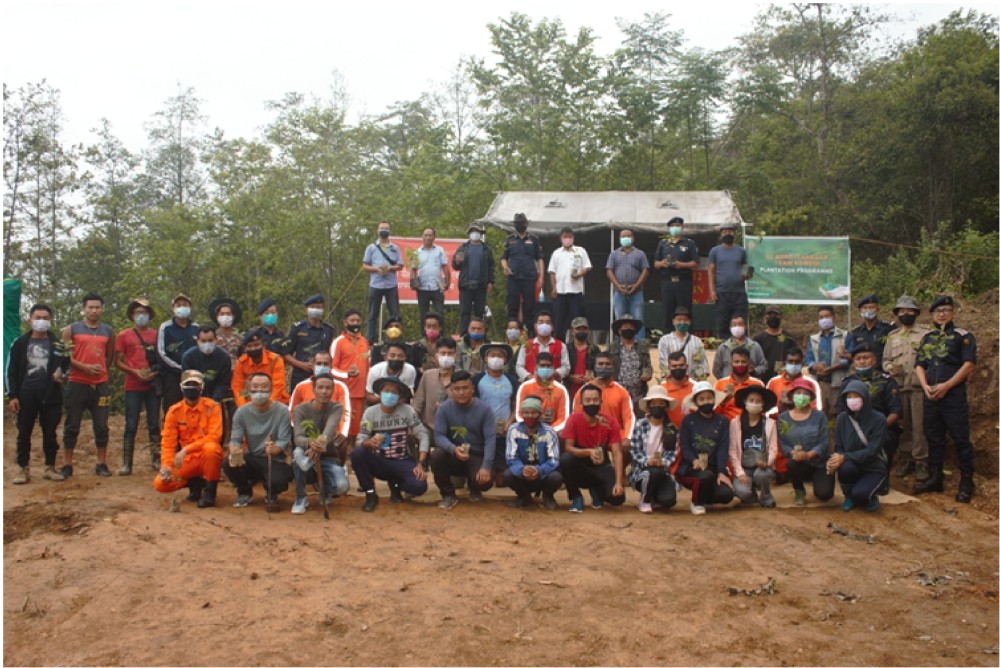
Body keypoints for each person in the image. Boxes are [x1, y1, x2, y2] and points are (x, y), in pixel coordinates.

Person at [913, 295, 977, 503]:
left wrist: (947, 385)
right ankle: (935, 477)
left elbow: (968, 365)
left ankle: (967, 482)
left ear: (953, 313)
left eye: (946, 310)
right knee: (933, 437)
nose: (941, 314)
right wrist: (925, 386)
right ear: (932, 314)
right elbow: (920, 364)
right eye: (937, 311)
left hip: (953, 397)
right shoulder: (928, 338)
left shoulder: (963, 336)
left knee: (960, 439)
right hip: (931, 396)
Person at [7, 304, 67, 483]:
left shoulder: (58, 344)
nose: (41, 321)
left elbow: (66, 365)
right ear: (30, 320)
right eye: (38, 317)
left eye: (45, 318)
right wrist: (12, 395)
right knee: (24, 433)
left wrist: (62, 375)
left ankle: (50, 467)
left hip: (50, 394)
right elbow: (10, 370)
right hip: (26, 393)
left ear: (51, 321)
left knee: (50, 433)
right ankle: (22, 469)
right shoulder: (19, 343)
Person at [352, 377, 430, 511]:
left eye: (394, 392)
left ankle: (395, 486)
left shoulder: (407, 410)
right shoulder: (370, 413)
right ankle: (370, 494)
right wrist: (369, 443)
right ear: (380, 392)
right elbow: (360, 440)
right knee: (357, 453)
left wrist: (421, 463)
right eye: (386, 391)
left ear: (399, 396)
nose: (390, 394)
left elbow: (423, 434)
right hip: (379, 461)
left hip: (402, 460)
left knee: (419, 486)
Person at [59, 292, 115, 478]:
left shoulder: (108, 331)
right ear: (83, 308)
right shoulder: (71, 329)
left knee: (101, 425)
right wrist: (84, 367)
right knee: (72, 424)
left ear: (102, 309)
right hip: (77, 383)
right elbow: (65, 356)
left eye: (97, 307)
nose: (94, 310)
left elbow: (109, 357)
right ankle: (67, 465)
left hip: (100, 385)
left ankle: (101, 463)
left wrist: (99, 370)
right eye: (90, 307)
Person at [153, 370, 224, 508]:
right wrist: (166, 466)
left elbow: (215, 436)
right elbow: (168, 441)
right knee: (160, 484)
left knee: (211, 449)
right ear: (181, 387)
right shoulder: (174, 411)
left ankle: (210, 493)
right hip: (186, 460)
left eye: (195, 385)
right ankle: (195, 484)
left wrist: (186, 449)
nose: (191, 388)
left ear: (201, 387)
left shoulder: (212, 407)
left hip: (206, 456)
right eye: (188, 384)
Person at [223, 372, 294, 509]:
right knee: (228, 463)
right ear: (249, 390)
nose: (259, 390)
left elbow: (284, 439)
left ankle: (271, 493)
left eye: (264, 387)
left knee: (279, 479)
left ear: (271, 389)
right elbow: (235, 439)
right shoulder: (241, 412)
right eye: (255, 386)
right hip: (251, 457)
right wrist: (234, 451)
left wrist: (276, 448)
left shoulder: (283, 411)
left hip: (273, 458)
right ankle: (244, 492)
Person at [835, 343, 902, 482]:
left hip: (881, 427)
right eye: (858, 358)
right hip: (853, 427)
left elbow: (896, 411)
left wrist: (879, 427)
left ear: (874, 360)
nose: (862, 361)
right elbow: (840, 410)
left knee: (888, 439)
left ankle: (882, 478)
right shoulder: (848, 383)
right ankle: (852, 478)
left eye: (866, 357)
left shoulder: (886, 381)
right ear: (853, 363)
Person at [882, 295, 931, 482]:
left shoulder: (925, 334)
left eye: (909, 311)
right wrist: (889, 368)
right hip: (899, 387)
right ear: (897, 314)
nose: (906, 314)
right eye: (902, 311)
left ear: (916, 313)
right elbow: (885, 360)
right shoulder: (893, 336)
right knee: (904, 426)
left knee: (919, 426)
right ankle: (906, 459)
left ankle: (921, 462)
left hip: (918, 387)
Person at [431, 371, 497, 509]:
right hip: (454, 454)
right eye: (457, 389)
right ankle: (448, 494)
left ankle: (474, 487)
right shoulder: (444, 409)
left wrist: (486, 467)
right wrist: (453, 449)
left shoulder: (485, 410)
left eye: (465, 388)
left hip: (476, 455)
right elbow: (439, 436)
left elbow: (490, 440)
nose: (461, 392)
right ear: (451, 390)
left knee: (485, 482)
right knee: (437, 455)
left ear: (472, 389)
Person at [290, 373, 350, 515]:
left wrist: (318, 447)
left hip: (328, 456)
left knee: (342, 487)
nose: (324, 391)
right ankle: (300, 497)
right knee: (298, 455)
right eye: (320, 387)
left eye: (328, 388)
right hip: (305, 454)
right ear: (314, 389)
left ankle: (326, 491)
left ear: (333, 389)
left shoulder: (336, 408)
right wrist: (312, 444)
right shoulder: (300, 409)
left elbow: (329, 432)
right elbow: (298, 438)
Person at [561, 385, 626, 512]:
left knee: (617, 499)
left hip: (601, 466)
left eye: (595, 400)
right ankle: (576, 496)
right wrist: (589, 452)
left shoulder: (610, 422)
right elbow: (568, 448)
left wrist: (619, 482)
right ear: (581, 403)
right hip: (580, 466)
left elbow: (617, 453)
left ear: (601, 402)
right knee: (565, 459)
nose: (592, 403)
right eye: (588, 400)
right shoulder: (574, 419)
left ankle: (596, 490)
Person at [114, 298, 160, 474]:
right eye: (138, 312)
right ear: (132, 315)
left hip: (153, 385)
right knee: (131, 423)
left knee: (154, 423)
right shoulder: (124, 335)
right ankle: (127, 464)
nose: (141, 316)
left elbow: (162, 357)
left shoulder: (157, 335)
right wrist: (134, 372)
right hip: (132, 386)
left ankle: (156, 459)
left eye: (144, 312)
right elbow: (118, 362)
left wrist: (154, 372)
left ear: (150, 315)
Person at [828, 380, 888, 513]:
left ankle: (870, 496)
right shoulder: (842, 419)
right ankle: (848, 495)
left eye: (856, 396)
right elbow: (839, 446)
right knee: (845, 468)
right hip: (851, 465)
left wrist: (845, 457)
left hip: (873, 467)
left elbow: (872, 450)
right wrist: (836, 459)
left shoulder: (879, 419)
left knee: (860, 494)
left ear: (865, 397)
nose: (852, 400)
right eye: (848, 397)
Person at [677, 382, 735, 515]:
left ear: (714, 399)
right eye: (701, 399)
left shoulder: (722, 421)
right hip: (692, 468)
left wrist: (721, 472)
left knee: (727, 495)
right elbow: (685, 446)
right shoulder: (688, 421)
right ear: (696, 402)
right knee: (705, 476)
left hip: (713, 468)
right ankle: (696, 502)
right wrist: (694, 460)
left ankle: (705, 499)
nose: (706, 402)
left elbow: (722, 447)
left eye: (709, 398)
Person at [777, 378, 834, 506]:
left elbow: (825, 442)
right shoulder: (783, 418)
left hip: (820, 463)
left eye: (805, 393)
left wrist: (808, 455)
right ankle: (799, 491)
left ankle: (821, 480)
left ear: (811, 397)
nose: (801, 396)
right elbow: (783, 442)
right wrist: (793, 453)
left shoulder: (820, 416)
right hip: (798, 462)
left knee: (824, 495)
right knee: (791, 464)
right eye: (798, 392)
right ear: (791, 396)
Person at [503, 396, 563, 510]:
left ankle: (548, 496)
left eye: (533, 413)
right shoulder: (513, 430)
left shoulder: (549, 432)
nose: (529, 416)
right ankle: (524, 496)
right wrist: (522, 469)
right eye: (526, 413)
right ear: (521, 414)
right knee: (508, 475)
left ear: (540, 414)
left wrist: (539, 470)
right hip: (522, 474)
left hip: (543, 474)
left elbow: (554, 460)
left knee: (556, 477)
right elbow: (511, 458)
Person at [472, 342, 517, 486]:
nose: (496, 358)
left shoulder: (511, 380)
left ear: (505, 360)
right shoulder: (477, 380)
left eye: (500, 356)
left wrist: (510, 423)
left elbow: (516, 406)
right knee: (484, 480)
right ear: (485, 359)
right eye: (492, 355)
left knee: (502, 481)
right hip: (482, 433)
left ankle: (500, 471)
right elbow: (472, 404)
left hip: (504, 432)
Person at [628, 386, 679, 513]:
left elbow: (673, 453)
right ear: (649, 406)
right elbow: (634, 450)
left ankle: (654, 496)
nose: (657, 406)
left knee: (668, 501)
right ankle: (644, 500)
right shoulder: (640, 424)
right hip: (642, 470)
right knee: (653, 471)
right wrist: (647, 461)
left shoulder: (671, 428)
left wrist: (664, 462)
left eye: (661, 403)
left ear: (666, 406)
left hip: (662, 471)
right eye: (654, 403)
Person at [728, 387, 779, 508]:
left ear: (763, 404)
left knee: (761, 475)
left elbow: (773, 449)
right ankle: (751, 497)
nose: (754, 404)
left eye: (758, 401)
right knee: (742, 492)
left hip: (762, 467)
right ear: (745, 401)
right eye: (751, 400)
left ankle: (766, 497)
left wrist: (767, 462)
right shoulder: (735, 423)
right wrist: (740, 473)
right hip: (744, 467)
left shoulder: (770, 424)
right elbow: (732, 451)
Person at [572, 351, 635, 447]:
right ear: (595, 367)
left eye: (607, 364)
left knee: (627, 448)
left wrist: (627, 437)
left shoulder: (622, 391)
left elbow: (629, 418)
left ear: (613, 367)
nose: (604, 367)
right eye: (600, 364)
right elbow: (576, 416)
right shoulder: (583, 391)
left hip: (615, 436)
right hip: (590, 436)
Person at [288, 351, 351, 443]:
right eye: (318, 364)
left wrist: (343, 433)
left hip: (332, 435)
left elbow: (346, 412)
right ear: (313, 365)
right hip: (306, 435)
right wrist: (301, 432)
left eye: (325, 364)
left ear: (331, 366)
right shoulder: (301, 386)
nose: (322, 367)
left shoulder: (340, 386)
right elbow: (292, 413)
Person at [330, 309, 370, 449]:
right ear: (345, 322)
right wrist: (347, 374)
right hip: (343, 392)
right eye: (352, 321)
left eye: (358, 321)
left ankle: (352, 455)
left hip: (360, 393)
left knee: (356, 427)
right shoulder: (338, 342)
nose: (355, 323)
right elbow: (332, 369)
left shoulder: (364, 342)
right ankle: (340, 455)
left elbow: (367, 366)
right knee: (343, 426)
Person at [653, 217, 699, 334]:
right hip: (667, 282)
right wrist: (662, 263)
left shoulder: (689, 243)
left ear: (682, 227)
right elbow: (655, 263)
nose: (675, 228)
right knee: (668, 311)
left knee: (685, 310)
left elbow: (695, 263)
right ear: (669, 228)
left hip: (683, 282)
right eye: (673, 226)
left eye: (678, 226)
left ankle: (687, 337)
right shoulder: (663, 243)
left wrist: (681, 265)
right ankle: (668, 337)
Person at [501, 213, 544, 333]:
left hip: (529, 277)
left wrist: (541, 277)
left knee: (529, 307)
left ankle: (529, 334)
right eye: (518, 223)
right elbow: (503, 257)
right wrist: (505, 267)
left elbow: (539, 258)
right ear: (514, 225)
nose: (520, 225)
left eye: (522, 223)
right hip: (513, 277)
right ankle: (512, 333)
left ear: (527, 224)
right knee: (512, 305)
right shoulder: (509, 240)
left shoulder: (534, 240)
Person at [362, 221, 404, 344]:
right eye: (382, 228)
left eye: (386, 228)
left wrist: (390, 268)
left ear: (390, 231)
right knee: (372, 314)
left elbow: (400, 265)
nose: (384, 230)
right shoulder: (371, 248)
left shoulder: (395, 248)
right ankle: (370, 341)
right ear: (377, 230)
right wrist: (376, 269)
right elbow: (365, 266)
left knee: (394, 314)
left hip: (391, 285)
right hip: (375, 284)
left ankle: (395, 339)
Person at [157, 293, 198, 415]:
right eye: (178, 305)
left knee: (193, 408)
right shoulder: (165, 328)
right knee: (172, 409)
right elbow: (161, 354)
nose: (182, 307)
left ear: (190, 308)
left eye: (185, 305)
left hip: (193, 376)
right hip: (172, 377)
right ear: (173, 309)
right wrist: (180, 369)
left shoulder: (196, 328)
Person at [548, 227, 591, 342]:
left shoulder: (580, 251)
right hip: (560, 292)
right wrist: (553, 288)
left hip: (576, 291)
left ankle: (577, 343)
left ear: (573, 238)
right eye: (565, 237)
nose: (567, 239)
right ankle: (559, 344)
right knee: (559, 322)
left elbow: (587, 267)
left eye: (569, 237)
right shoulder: (556, 253)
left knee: (577, 321)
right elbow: (552, 272)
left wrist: (579, 274)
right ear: (560, 238)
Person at [805, 305, 850, 418]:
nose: (824, 319)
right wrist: (814, 367)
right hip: (820, 383)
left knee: (839, 414)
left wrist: (832, 368)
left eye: (827, 316)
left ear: (834, 318)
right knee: (819, 414)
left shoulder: (844, 335)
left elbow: (849, 359)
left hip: (838, 382)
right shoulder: (814, 338)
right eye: (821, 317)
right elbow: (809, 359)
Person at [284, 294, 336, 388]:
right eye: (313, 307)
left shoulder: (328, 330)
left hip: (322, 376)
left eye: (319, 307)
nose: (316, 309)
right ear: (306, 310)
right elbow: (286, 355)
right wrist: (302, 365)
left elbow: (332, 354)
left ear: (323, 310)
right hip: (300, 375)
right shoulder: (297, 328)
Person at [606, 228, 650, 340]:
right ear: (620, 239)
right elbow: (609, 270)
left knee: (638, 318)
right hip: (619, 291)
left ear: (633, 238)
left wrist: (637, 285)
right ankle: (619, 344)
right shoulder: (614, 254)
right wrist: (617, 285)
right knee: (619, 319)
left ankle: (640, 345)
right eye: (623, 236)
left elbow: (645, 270)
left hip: (636, 291)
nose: (625, 238)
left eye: (628, 236)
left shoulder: (640, 253)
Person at [707, 223, 749, 339]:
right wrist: (712, 290)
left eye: (730, 232)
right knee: (722, 324)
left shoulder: (741, 251)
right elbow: (711, 271)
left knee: (740, 323)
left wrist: (747, 275)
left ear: (734, 233)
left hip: (739, 293)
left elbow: (744, 269)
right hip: (722, 293)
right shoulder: (715, 251)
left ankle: (741, 349)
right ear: (721, 234)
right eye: (725, 232)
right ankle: (724, 348)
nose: (727, 234)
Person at [453, 222, 495, 336]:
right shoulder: (463, 248)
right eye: (472, 231)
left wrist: (491, 281)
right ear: (469, 233)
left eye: (476, 231)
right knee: (464, 312)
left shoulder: (486, 249)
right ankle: (463, 336)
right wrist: (457, 262)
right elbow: (455, 266)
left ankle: (481, 335)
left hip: (481, 285)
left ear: (481, 234)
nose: (474, 233)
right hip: (465, 285)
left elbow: (491, 266)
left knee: (480, 313)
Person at [514, 352, 570, 434]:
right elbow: (519, 415)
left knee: (562, 434)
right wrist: (531, 430)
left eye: (548, 366)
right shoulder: (525, 387)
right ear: (536, 367)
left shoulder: (561, 389)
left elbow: (563, 418)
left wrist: (549, 432)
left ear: (553, 368)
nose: (545, 368)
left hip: (552, 431)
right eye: (542, 365)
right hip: (528, 430)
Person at [231, 329, 290, 407]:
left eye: (256, 345)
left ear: (263, 345)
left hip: (275, 401)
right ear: (245, 348)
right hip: (250, 402)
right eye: (249, 346)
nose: (253, 349)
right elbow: (238, 388)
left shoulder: (275, 360)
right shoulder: (241, 363)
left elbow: (278, 387)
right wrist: (244, 408)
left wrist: (266, 406)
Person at [608, 314, 653, 411]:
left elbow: (648, 366)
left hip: (639, 393)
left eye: (630, 327)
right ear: (619, 331)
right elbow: (607, 366)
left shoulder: (642, 347)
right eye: (625, 327)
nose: (628, 329)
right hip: (617, 392)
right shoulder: (612, 347)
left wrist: (648, 374)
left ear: (635, 330)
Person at [181, 326, 234, 408]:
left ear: (216, 339)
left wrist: (214, 401)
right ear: (197, 341)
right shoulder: (188, 357)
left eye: (210, 340)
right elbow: (189, 382)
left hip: (217, 398)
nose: (207, 344)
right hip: (194, 397)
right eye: (203, 341)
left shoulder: (224, 357)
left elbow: (224, 383)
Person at [412, 337, 458, 429]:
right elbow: (418, 403)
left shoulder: (461, 378)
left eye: (450, 354)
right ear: (437, 356)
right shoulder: (427, 376)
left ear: (455, 356)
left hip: (453, 429)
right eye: (443, 353)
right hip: (429, 428)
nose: (446, 357)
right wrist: (413, 425)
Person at [515, 311, 571, 382]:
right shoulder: (526, 345)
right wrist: (528, 376)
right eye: (541, 322)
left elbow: (566, 367)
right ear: (535, 326)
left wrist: (554, 373)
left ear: (552, 326)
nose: (544, 325)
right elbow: (519, 366)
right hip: (531, 384)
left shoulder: (561, 346)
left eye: (548, 322)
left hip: (553, 385)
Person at [656, 307, 709, 381]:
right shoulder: (664, 340)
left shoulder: (697, 341)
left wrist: (701, 376)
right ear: (673, 322)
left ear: (690, 322)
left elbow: (703, 362)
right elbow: (664, 362)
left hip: (693, 382)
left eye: (685, 320)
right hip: (673, 381)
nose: (682, 322)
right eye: (679, 320)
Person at [410, 226, 450, 323]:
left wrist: (448, 282)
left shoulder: (440, 250)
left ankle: (440, 336)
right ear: (422, 237)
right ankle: (424, 336)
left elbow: (445, 267)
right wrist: (413, 282)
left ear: (434, 237)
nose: (428, 237)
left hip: (437, 287)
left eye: (430, 235)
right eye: (426, 235)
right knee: (423, 314)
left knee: (439, 313)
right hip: (422, 288)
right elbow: (413, 269)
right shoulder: (416, 252)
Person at [713, 347, 764, 422]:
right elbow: (713, 413)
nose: (740, 365)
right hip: (727, 426)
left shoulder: (758, 384)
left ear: (749, 363)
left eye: (743, 362)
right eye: (736, 362)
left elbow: (763, 410)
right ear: (731, 363)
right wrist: (723, 401)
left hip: (750, 427)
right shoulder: (720, 384)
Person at [767, 348, 822, 415]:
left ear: (802, 363)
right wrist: (779, 409)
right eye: (790, 361)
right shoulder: (773, 382)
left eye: (797, 362)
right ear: (785, 363)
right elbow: (766, 409)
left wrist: (795, 406)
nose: (793, 364)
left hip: (804, 422)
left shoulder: (812, 383)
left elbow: (817, 410)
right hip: (777, 422)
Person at [753, 305, 799, 385]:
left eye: (776, 314)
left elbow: (796, 357)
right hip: (763, 380)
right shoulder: (758, 338)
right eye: (769, 314)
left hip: (784, 379)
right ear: (765, 317)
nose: (772, 317)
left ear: (781, 316)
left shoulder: (788, 337)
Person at [845, 295, 894, 367]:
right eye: (865, 308)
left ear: (878, 309)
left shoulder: (887, 329)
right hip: (862, 370)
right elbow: (854, 354)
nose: (868, 310)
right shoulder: (856, 332)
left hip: (882, 371)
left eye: (871, 307)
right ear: (860, 310)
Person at [713, 315, 767, 380]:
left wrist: (754, 371)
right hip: (729, 386)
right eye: (734, 325)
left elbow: (764, 366)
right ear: (730, 328)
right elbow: (716, 369)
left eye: (740, 324)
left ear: (745, 326)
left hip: (750, 385)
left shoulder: (755, 346)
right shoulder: (723, 347)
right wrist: (726, 379)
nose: (737, 327)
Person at [564, 317, 600, 404]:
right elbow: (561, 367)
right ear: (572, 331)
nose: (581, 331)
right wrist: (570, 377)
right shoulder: (566, 348)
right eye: (578, 329)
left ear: (588, 330)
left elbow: (599, 369)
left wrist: (592, 378)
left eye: (584, 329)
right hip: (570, 389)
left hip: (590, 391)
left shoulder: (594, 349)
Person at [659, 351, 695, 430]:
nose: (678, 368)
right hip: (669, 434)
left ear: (686, 366)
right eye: (674, 366)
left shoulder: (695, 387)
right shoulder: (662, 389)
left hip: (693, 434)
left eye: (681, 365)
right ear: (669, 367)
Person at [208, 297, 243, 366]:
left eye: (228, 314)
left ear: (233, 316)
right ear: (217, 316)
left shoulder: (240, 338)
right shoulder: (212, 336)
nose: (225, 316)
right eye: (222, 314)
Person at [409, 311, 444, 377]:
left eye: (434, 326)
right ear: (424, 327)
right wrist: (419, 369)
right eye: (428, 326)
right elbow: (411, 365)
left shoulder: (446, 344)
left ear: (440, 327)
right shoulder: (417, 346)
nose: (431, 329)